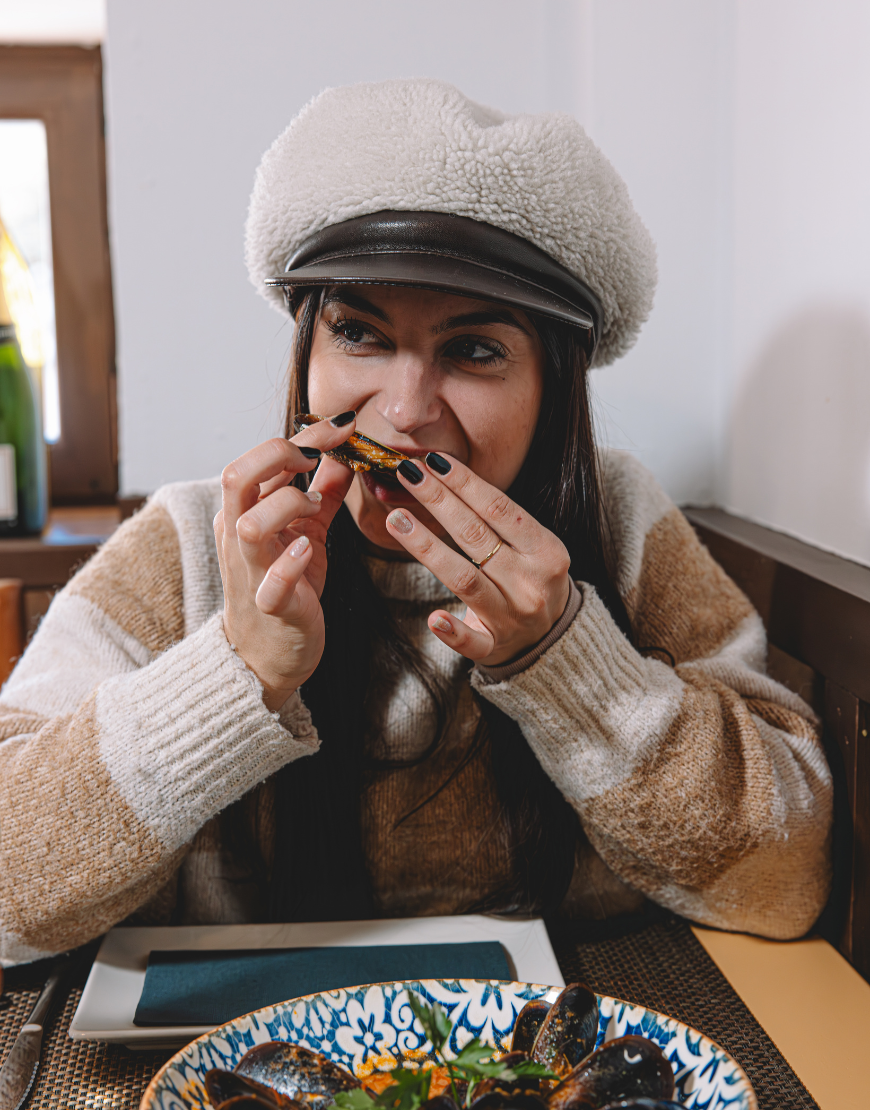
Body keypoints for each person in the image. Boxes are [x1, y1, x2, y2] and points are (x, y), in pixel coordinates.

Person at [0, 79, 831, 966]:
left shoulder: (619, 523)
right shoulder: (198, 541)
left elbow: (783, 884)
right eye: (359, 334)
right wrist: (238, 674)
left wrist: (566, 659)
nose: (403, 411)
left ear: (555, 392)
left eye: (474, 350)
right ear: (308, 355)